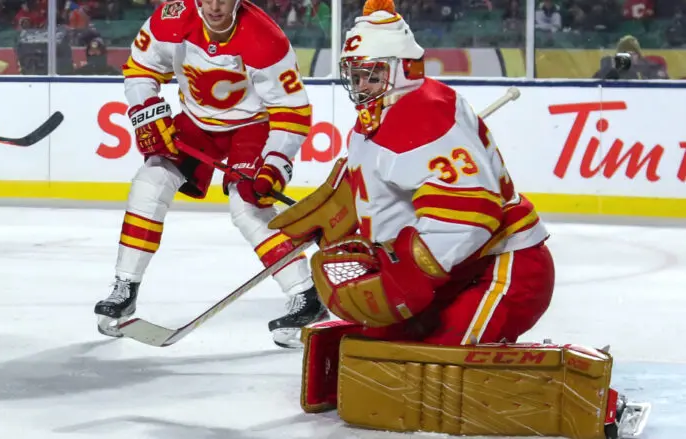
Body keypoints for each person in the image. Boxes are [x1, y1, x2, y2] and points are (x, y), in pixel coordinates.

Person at [268, 0, 650, 436]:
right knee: (385, 354)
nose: (360, 84)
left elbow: (471, 214)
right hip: (454, 272)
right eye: (354, 74)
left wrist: (403, 273)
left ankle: (592, 400)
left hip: (504, 267)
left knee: (444, 370)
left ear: (402, 69)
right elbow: (368, 181)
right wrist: (334, 211)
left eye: (371, 73)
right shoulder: (378, 117)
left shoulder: (423, 115)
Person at [93, 0, 327, 348]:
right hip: (197, 122)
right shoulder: (171, 19)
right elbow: (140, 68)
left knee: (248, 206)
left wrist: (276, 163)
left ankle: (304, 294)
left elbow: (291, 112)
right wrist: (146, 109)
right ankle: (125, 287)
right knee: (151, 181)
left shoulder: (266, 39)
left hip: (252, 126)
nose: (216, 6)